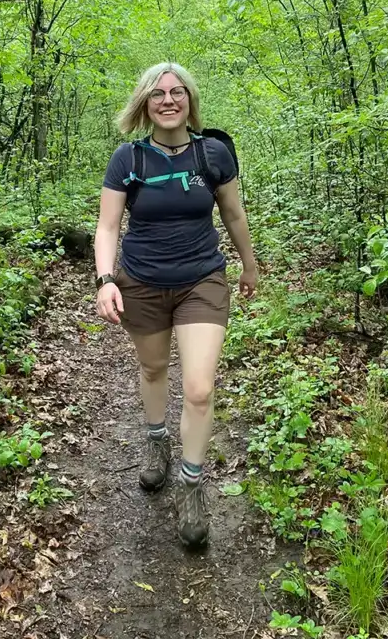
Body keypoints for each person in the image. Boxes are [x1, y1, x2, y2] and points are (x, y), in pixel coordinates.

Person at [93, 62, 259, 548]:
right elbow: (107, 227)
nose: (168, 100)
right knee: (152, 370)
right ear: (144, 103)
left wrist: (248, 263)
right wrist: (105, 279)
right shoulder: (129, 159)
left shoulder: (214, 154)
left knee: (201, 388)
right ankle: (156, 442)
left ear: (190, 99)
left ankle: (191, 484)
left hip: (201, 281)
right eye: (158, 93)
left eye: (177, 92)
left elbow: (232, 211)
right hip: (141, 282)